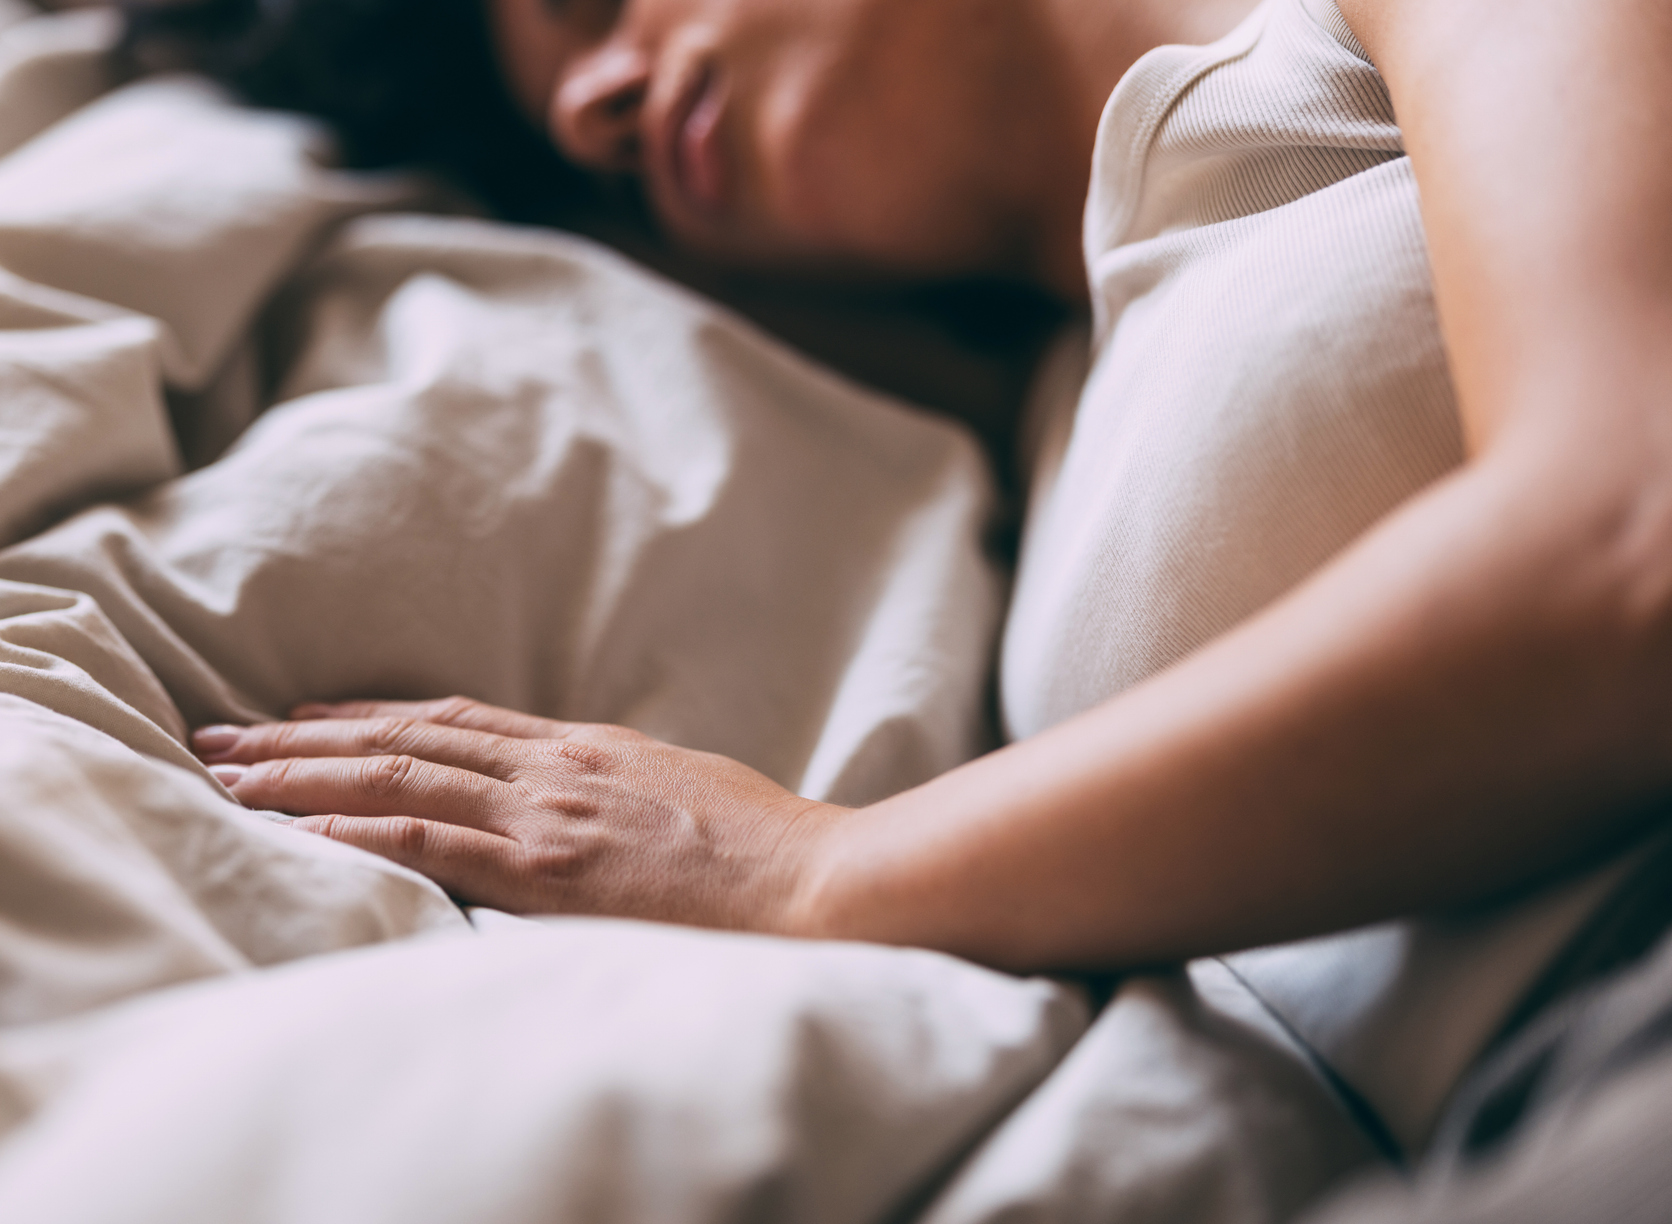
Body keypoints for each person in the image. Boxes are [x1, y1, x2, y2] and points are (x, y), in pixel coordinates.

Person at [168, 0, 1672, 983]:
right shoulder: (1054, 410)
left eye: (599, 3)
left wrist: (815, 871)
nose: (592, 107)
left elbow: (1630, 542)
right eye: (582, 157)